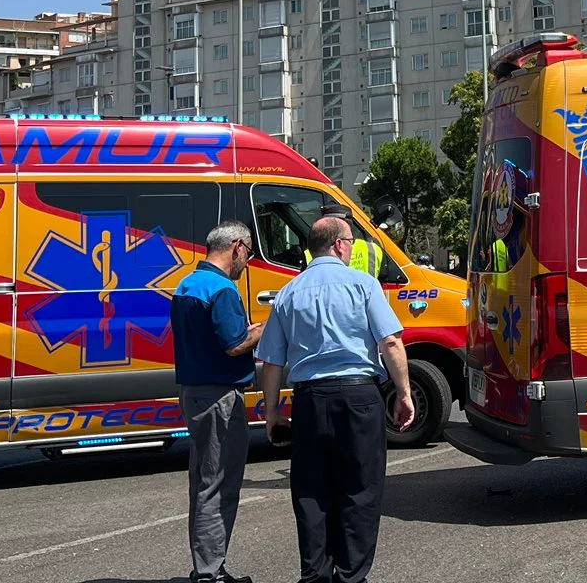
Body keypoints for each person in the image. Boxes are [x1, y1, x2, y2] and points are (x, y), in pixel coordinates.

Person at [255, 216, 418, 583]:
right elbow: (390, 342)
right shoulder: (363, 285)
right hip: (360, 396)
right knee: (360, 489)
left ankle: (314, 576)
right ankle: (350, 576)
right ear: (340, 245)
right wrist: (404, 394)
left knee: (311, 492)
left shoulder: (289, 292)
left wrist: (273, 415)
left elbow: (271, 362)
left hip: (311, 400)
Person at [171, 221, 265, 583]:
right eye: (249, 254)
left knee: (202, 483)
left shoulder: (187, 284)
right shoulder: (222, 290)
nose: (248, 263)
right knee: (219, 484)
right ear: (238, 247)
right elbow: (234, 343)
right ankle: (211, 573)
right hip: (220, 396)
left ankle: (207, 568)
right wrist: (264, 328)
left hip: (194, 391)